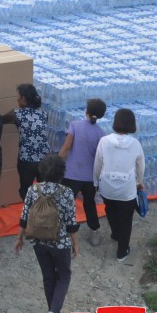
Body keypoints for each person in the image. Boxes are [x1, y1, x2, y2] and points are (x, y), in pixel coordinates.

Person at [15, 154, 80, 313]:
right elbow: (71, 222)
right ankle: (55, 309)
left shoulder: (33, 190)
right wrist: (75, 243)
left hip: (38, 241)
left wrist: (19, 238)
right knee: (64, 275)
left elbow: (24, 216)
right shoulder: (66, 192)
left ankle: (52, 307)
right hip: (60, 242)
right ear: (62, 172)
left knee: (48, 275)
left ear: (42, 171)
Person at [94, 108, 146, 262]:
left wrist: (96, 182)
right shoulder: (135, 144)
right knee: (126, 218)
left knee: (110, 209)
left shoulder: (104, 141)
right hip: (126, 189)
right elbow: (141, 167)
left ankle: (115, 233)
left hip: (107, 187)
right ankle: (122, 251)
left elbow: (98, 163)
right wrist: (139, 183)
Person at [58, 99, 107, 248]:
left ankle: (63, 231)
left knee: (65, 203)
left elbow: (66, 147)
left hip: (71, 174)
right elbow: (100, 158)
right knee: (89, 203)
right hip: (89, 177)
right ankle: (94, 231)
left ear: (87, 111)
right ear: (101, 115)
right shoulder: (101, 133)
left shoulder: (75, 126)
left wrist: (56, 163)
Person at [4, 84, 50, 201]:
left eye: (18, 96)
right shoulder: (44, 114)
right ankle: (43, 212)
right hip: (45, 159)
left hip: (27, 159)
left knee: (26, 191)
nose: (17, 98)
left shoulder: (16, 114)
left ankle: (29, 214)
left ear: (23, 98)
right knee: (44, 190)